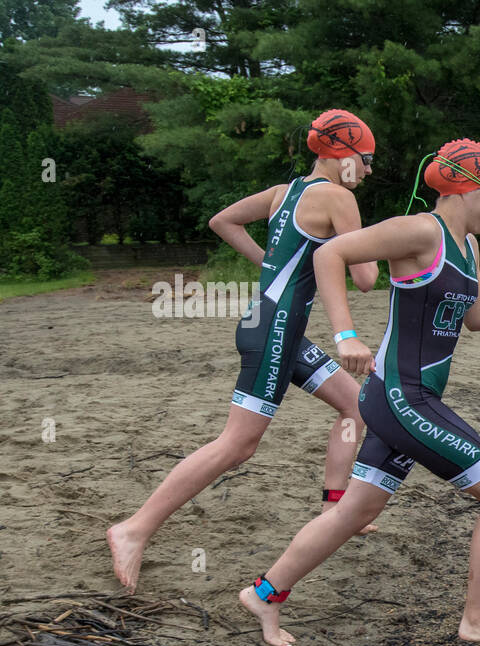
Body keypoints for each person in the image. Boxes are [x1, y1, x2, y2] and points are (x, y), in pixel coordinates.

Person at [237, 139, 480, 646]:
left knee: (356, 510)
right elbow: (332, 252)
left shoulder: (469, 247)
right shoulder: (422, 230)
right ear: (467, 187)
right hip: (402, 398)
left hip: (410, 398)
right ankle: (479, 617)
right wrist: (346, 334)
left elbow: (478, 318)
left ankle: (265, 593)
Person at [108, 110, 381, 594]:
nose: (368, 170)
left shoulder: (287, 191)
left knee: (354, 405)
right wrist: (375, 242)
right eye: (366, 160)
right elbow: (365, 279)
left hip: (273, 328)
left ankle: (336, 510)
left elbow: (223, 220)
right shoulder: (339, 197)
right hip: (274, 333)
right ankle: (134, 528)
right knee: (238, 445)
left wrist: (271, 263)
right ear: (343, 157)